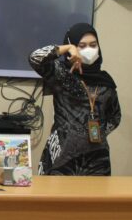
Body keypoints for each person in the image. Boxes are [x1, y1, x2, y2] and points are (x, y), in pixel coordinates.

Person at [29, 23, 121, 176]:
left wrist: (94, 133)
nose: (89, 50)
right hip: (62, 156)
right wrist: (67, 48)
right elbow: (35, 58)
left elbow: (115, 117)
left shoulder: (106, 81)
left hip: (97, 159)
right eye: (82, 46)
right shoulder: (61, 73)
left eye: (93, 45)